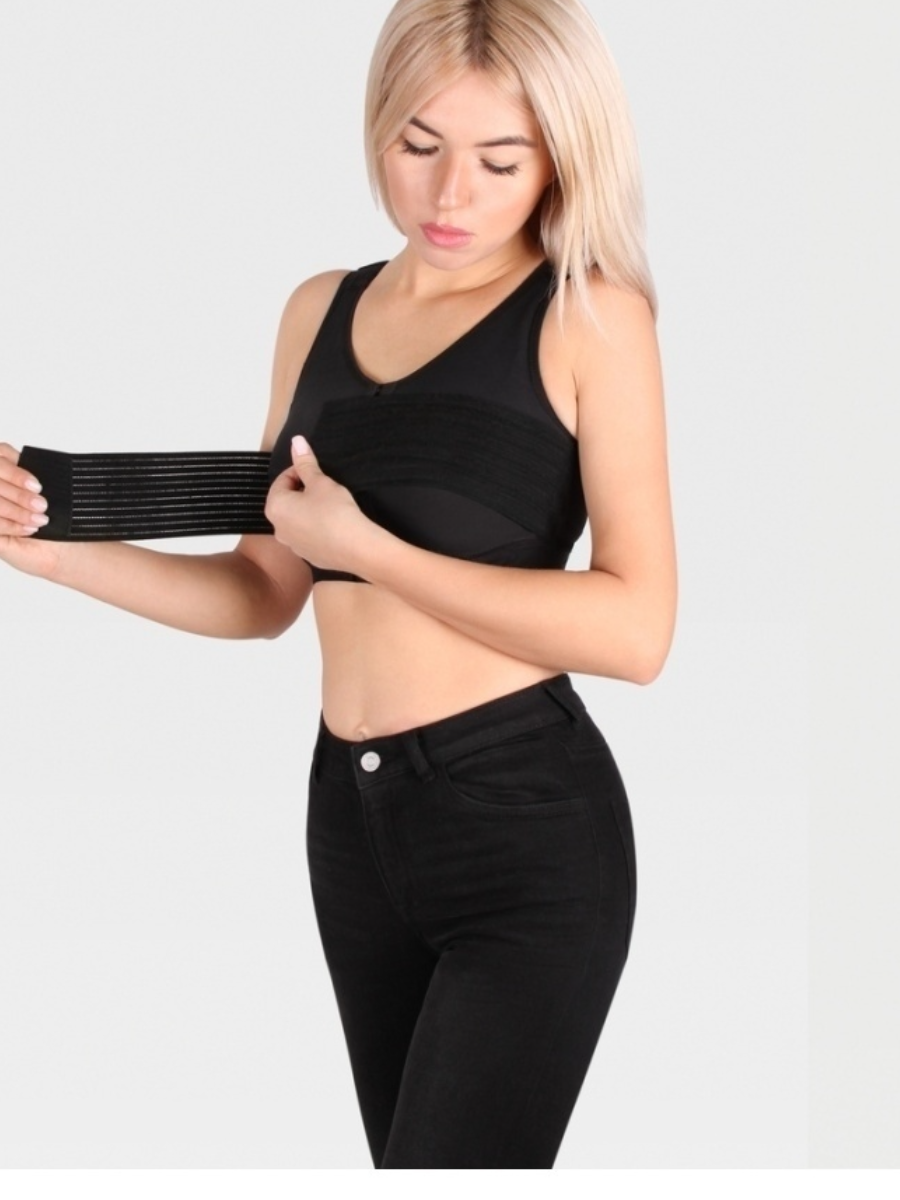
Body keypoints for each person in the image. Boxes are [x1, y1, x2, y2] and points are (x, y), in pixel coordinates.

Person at [0, 0, 676, 1169]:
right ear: (378, 127)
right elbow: (262, 592)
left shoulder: (589, 319)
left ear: (562, 158)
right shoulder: (319, 309)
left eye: (500, 160)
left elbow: (639, 628)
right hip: (352, 822)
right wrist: (51, 552)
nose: (450, 193)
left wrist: (372, 550)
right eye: (419, 145)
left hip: (521, 819)